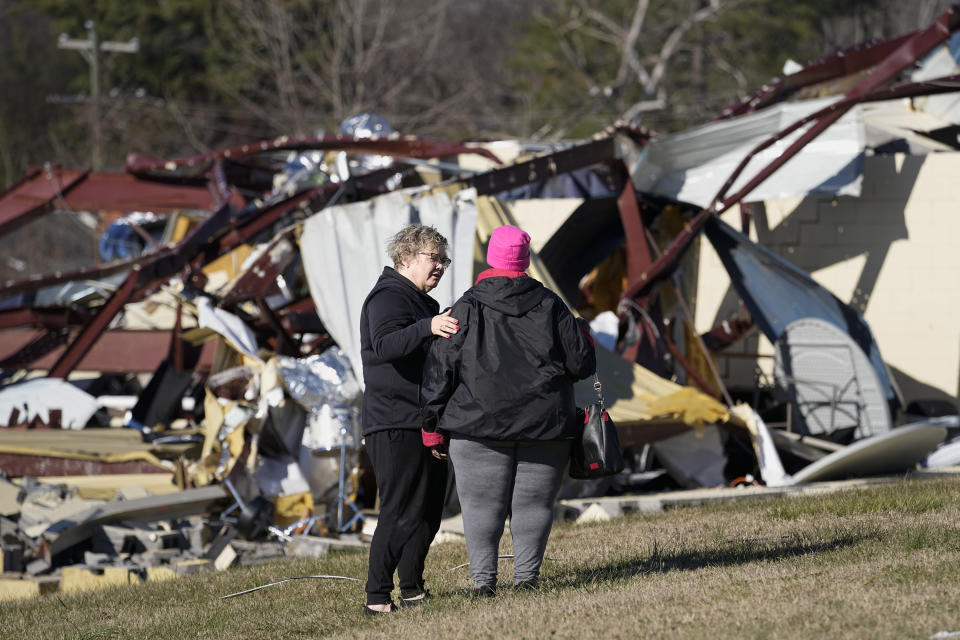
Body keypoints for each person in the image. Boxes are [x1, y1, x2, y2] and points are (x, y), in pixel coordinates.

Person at [421, 224, 596, 595]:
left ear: (491, 259)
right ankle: (526, 581)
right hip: (545, 426)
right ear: (525, 261)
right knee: (534, 507)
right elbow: (582, 365)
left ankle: (484, 585)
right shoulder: (552, 305)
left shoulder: (464, 308)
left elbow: (440, 369)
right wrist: (583, 335)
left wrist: (431, 426)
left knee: (481, 510)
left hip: (475, 427)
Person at [359, 224, 460, 616]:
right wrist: (429, 328)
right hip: (392, 421)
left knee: (429, 510)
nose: (439, 266)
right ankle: (377, 597)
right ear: (405, 257)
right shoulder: (388, 296)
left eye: (443, 260)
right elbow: (384, 345)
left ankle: (413, 589)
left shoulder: (423, 303)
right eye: (432, 258)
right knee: (400, 509)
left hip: (425, 421)